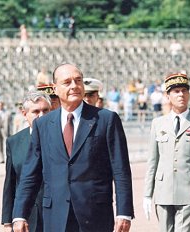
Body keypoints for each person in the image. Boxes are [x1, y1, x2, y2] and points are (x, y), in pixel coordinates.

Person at [13, 63, 134, 232]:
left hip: (95, 214)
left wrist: (124, 212)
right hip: (55, 215)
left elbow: (121, 169)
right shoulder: (43, 125)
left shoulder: (106, 120)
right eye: (67, 82)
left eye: (78, 81)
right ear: (55, 88)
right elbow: (30, 173)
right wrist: (19, 214)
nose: (74, 86)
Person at [143, 73, 190, 232]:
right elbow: (152, 162)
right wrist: (147, 194)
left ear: (189, 93)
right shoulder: (158, 124)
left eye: (184, 90)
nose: (181, 94)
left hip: (189, 189)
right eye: (176, 91)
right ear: (168, 96)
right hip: (163, 190)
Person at [2, 91, 51, 232]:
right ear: (24, 114)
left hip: (55, 215)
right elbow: (10, 183)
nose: (41, 115)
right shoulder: (14, 142)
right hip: (26, 216)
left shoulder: (62, 137)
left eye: (45, 110)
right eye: (36, 111)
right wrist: (7, 221)